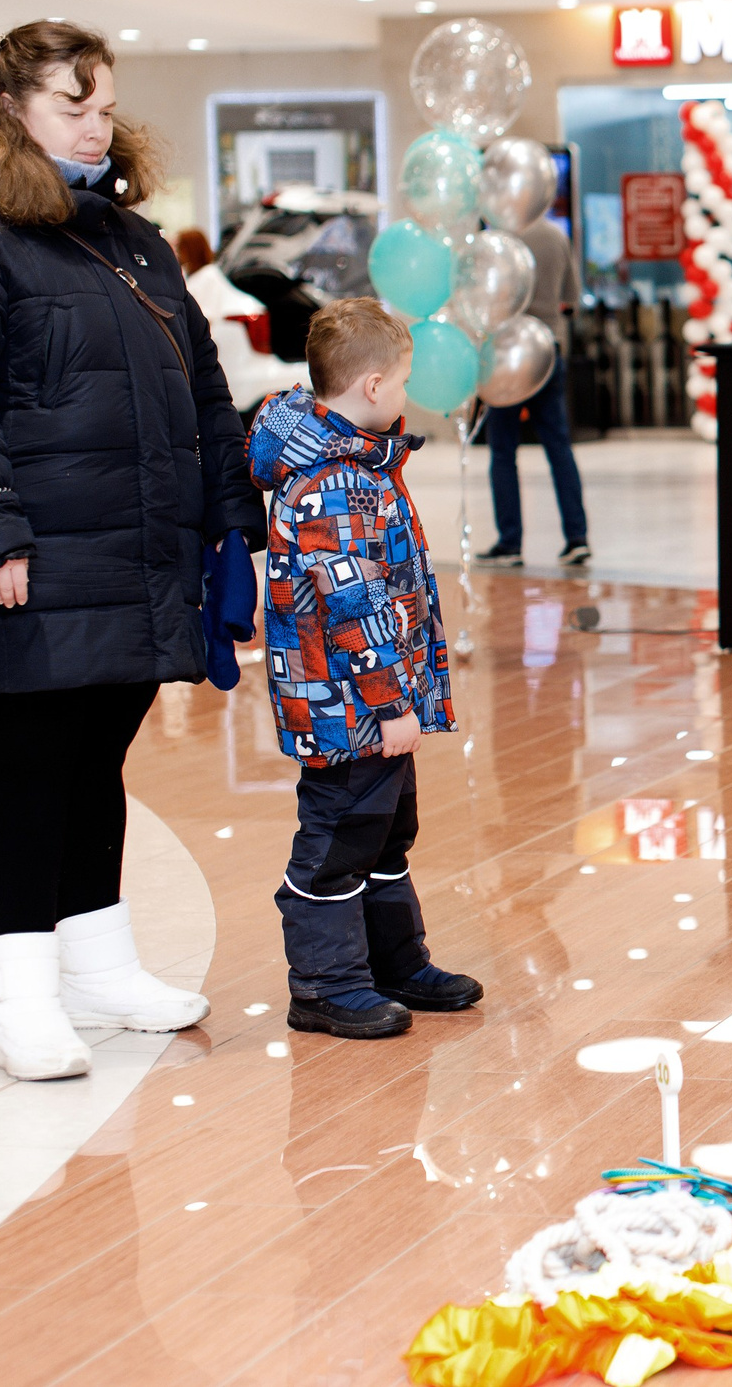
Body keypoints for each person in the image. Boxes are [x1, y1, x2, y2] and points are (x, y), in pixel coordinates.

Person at [0, 19, 261, 1081]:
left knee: (99, 758)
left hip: (133, 549)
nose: (99, 124)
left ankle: (100, 964)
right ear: (9, 110)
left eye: (102, 105)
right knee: (25, 766)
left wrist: (233, 511)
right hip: (27, 553)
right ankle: (20, 998)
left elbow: (201, 379)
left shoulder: (127, 237)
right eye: (72, 106)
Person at [249, 297, 479, 1039]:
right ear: (374, 386)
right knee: (340, 837)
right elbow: (354, 606)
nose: (409, 395)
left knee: (385, 831)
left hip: (362, 701)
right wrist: (391, 703)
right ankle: (324, 983)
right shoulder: (335, 479)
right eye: (405, 381)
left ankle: (394, 964)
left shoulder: (355, 460)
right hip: (346, 703)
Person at [474, 216, 589, 569]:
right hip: (548, 347)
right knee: (558, 445)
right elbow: (571, 298)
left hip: (508, 351)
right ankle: (577, 538)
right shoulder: (556, 236)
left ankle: (511, 544)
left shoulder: (497, 241)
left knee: (504, 448)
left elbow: (482, 298)